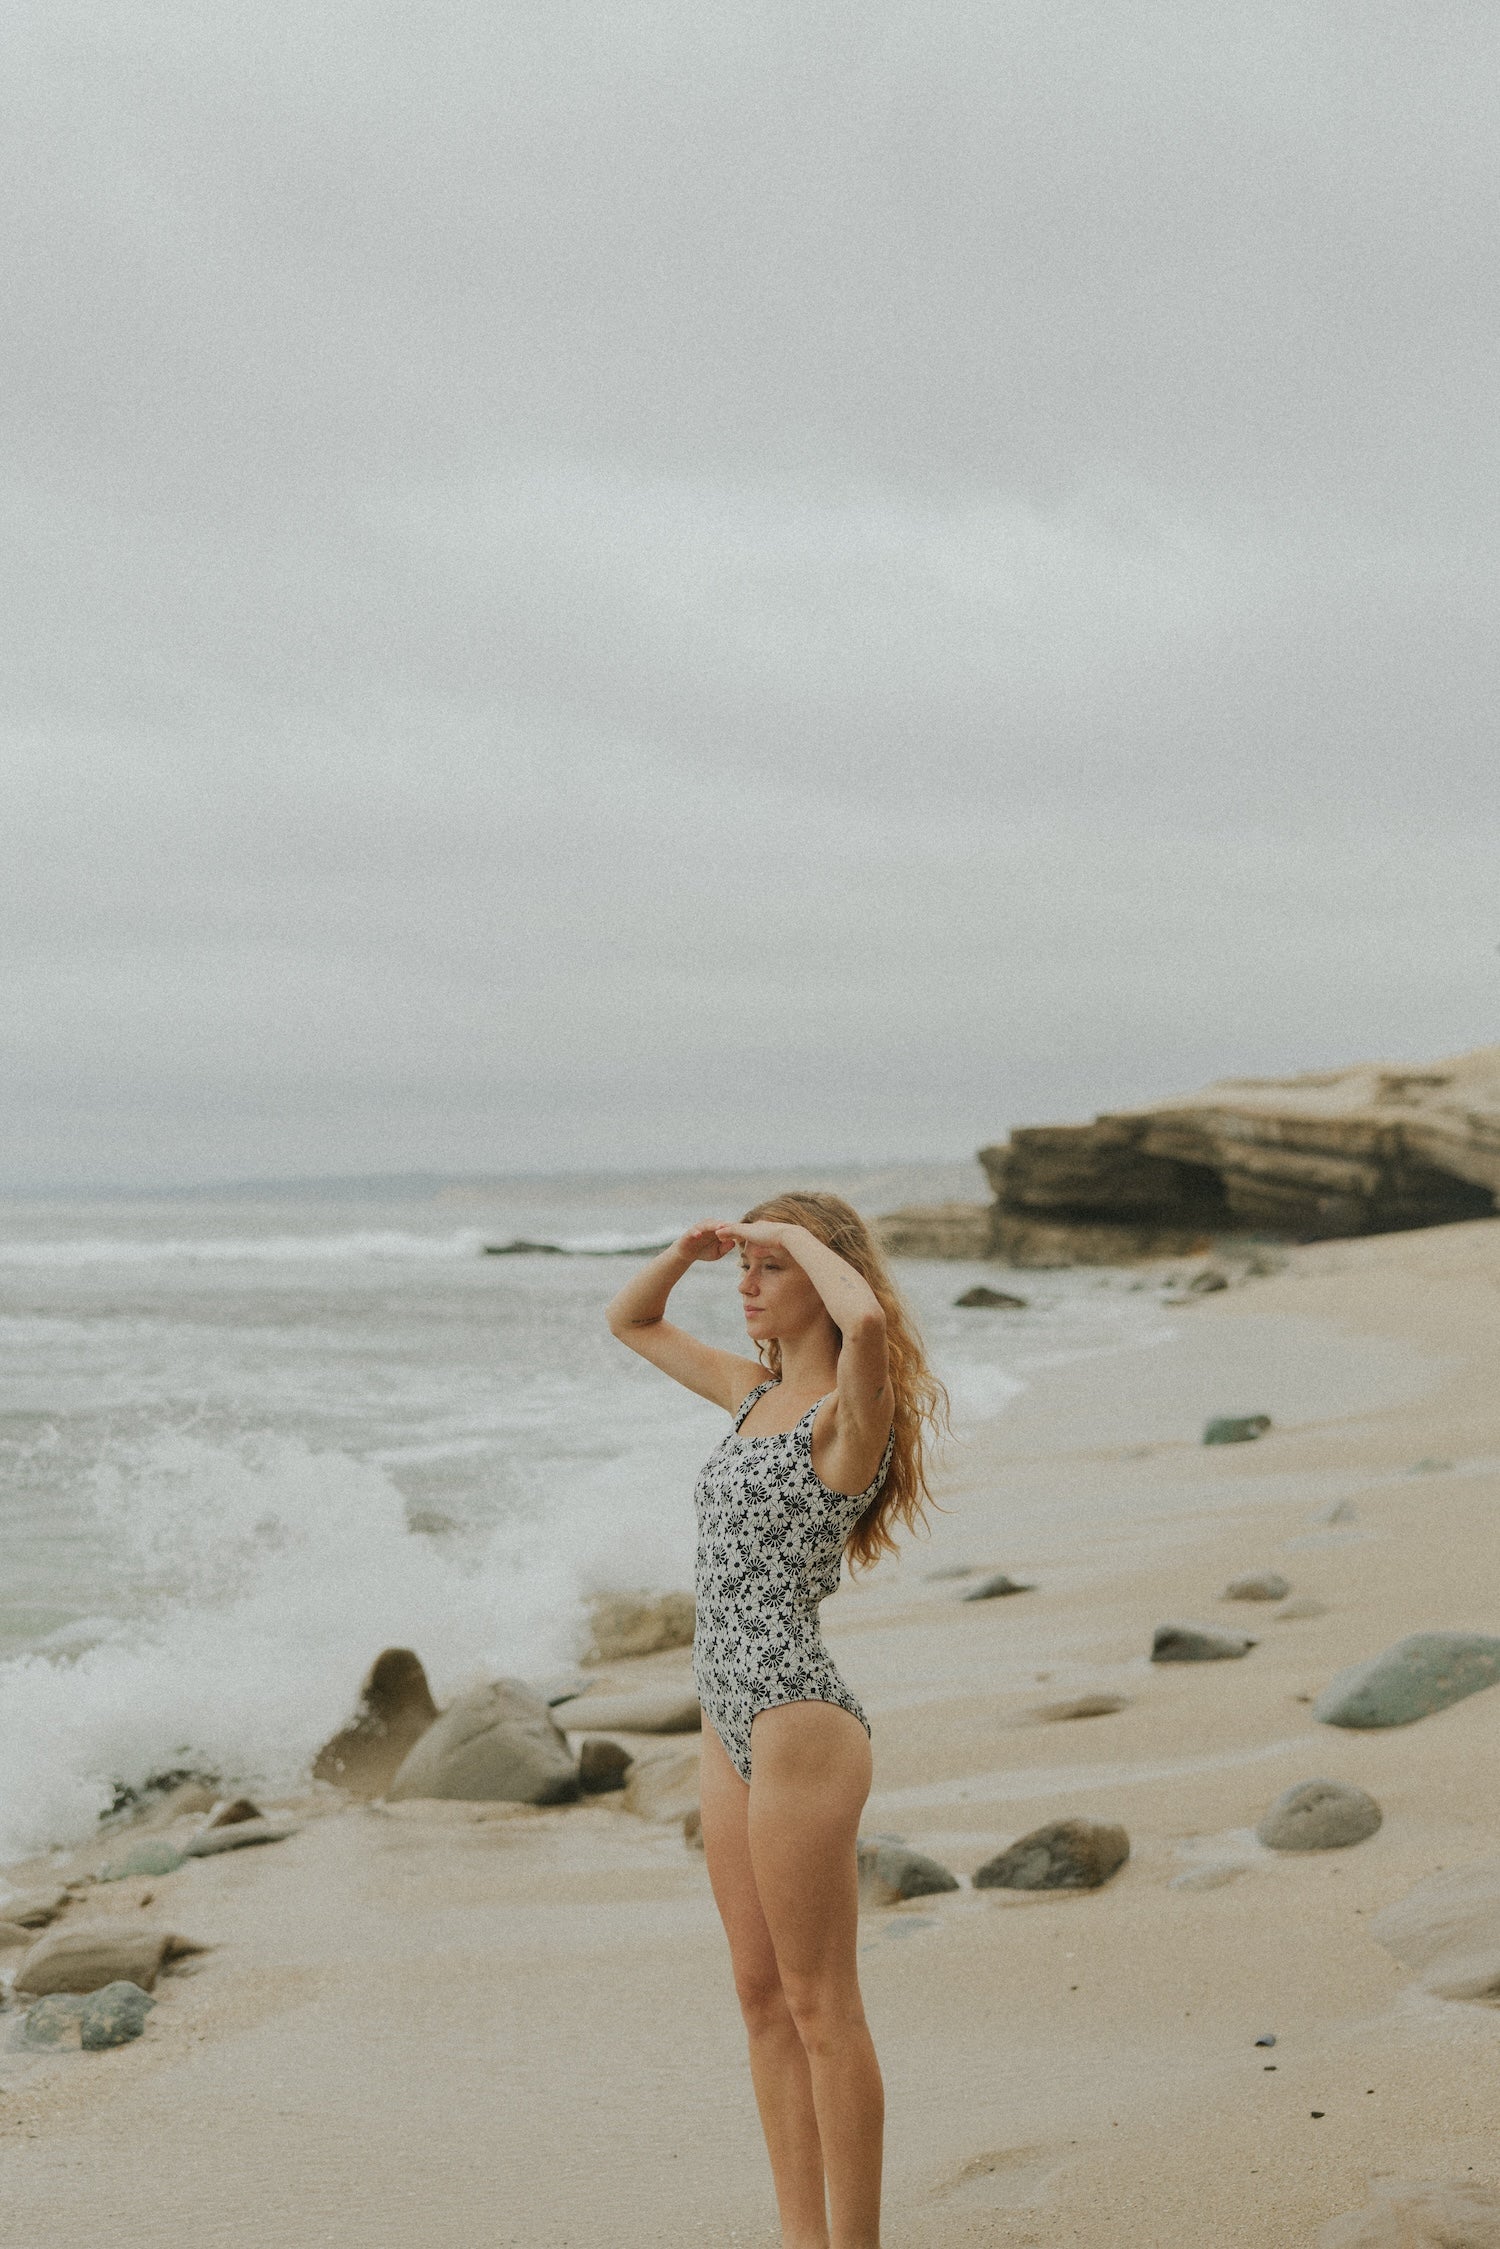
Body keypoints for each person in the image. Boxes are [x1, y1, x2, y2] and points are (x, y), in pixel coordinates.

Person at [606, 1191, 946, 2249]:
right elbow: (632, 1321)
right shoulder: (753, 1393)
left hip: (798, 1715)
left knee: (821, 2004)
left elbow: (876, 1324)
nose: (745, 1282)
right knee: (761, 1996)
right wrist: (686, 1249)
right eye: (742, 1266)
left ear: (819, 1274)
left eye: (767, 1267)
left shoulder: (850, 1414)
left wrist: (800, 1233)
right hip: (725, 1715)